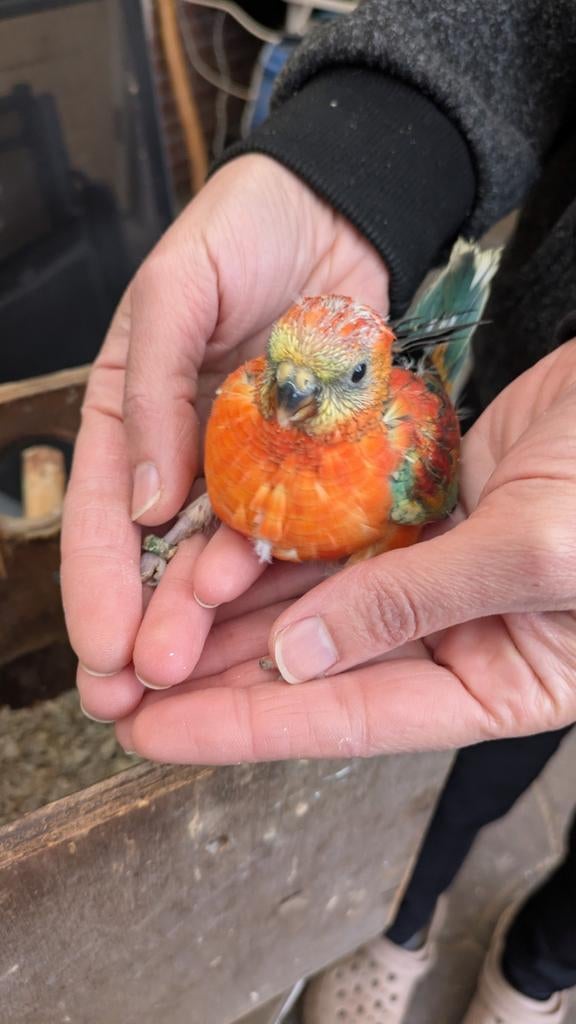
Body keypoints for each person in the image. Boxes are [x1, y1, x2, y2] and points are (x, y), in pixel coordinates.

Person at [60, 1, 576, 1021]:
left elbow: (426, 532)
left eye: (332, 382)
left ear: (383, 386)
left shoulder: (409, 459)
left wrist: (381, 581)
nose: (288, 397)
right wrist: (352, 154)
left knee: (500, 741)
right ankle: (403, 921)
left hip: (525, 485)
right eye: (278, 372)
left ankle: (538, 970)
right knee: (467, 769)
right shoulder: (243, 403)